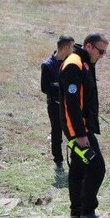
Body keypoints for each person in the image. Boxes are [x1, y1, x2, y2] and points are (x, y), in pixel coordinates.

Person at [60, 34, 109, 218]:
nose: (103, 55)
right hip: (78, 130)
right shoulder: (74, 64)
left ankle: (77, 209)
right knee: (97, 167)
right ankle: (87, 211)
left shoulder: (85, 62)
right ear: (89, 46)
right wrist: (80, 135)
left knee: (79, 167)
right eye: (101, 51)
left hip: (82, 127)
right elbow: (71, 105)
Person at [40, 35, 74, 172]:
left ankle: (75, 159)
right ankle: (58, 161)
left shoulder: (70, 63)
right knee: (57, 133)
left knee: (73, 133)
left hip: (70, 105)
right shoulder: (48, 65)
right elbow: (45, 88)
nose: (73, 49)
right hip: (55, 105)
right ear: (65, 48)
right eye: (71, 46)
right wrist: (62, 88)